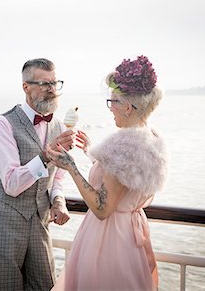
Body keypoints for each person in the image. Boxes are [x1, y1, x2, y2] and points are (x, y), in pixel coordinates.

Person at [48, 55, 168, 291]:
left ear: (127, 107)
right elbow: (124, 178)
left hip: (108, 240)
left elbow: (103, 208)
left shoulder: (121, 146)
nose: (110, 108)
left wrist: (71, 166)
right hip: (130, 236)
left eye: (112, 102)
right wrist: (95, 152)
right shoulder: (150, 137)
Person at [0, 58, 74, 290]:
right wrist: (45, 156)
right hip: (5, 223)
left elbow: (58, 178)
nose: (52, 90)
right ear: (26, 87)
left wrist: (58, 202)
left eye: (55, 83)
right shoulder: (2, 124)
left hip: (40, 221)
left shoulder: (60, 127)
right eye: (44, 84)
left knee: (45, 285)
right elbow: (12, 183)